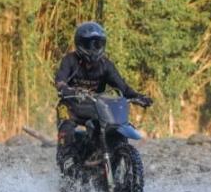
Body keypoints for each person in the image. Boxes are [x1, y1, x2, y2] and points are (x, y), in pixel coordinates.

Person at [54, 21, 151, 162]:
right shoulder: (70, 60)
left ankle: (115, 160)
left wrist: (138, 97)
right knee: (66, 129)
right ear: (80, 44)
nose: (93, 48)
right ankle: (66, 162)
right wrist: (65, 88)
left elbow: (123, 88)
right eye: (89, 44)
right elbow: (60, 80)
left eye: (97, 44)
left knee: (114, 129)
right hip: (70, 106)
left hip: (96, 107)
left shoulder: (106, 65)